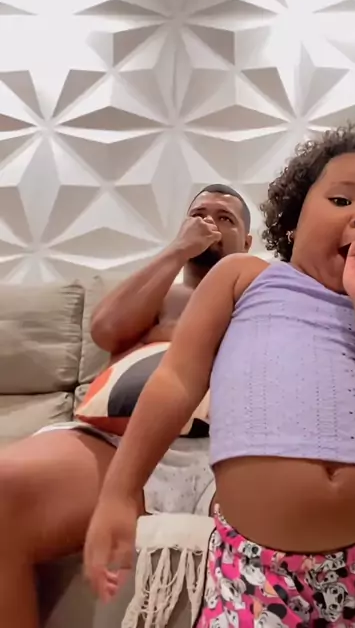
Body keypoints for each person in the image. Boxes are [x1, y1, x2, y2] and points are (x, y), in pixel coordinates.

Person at [84, 123, 355, 627]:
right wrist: (120, 492)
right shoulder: (244, 278)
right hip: (257, 573)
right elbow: (176, 382)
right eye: (342, 200)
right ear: (294, 217)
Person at [0, 184, 252, 628]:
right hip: (118, 445)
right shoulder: (160, 295)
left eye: (225, 218)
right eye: (200, 214)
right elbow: (106, 329)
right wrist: (178, 250)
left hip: (225, 453)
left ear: (247, 243)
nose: (210, 223)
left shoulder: (258, 295)